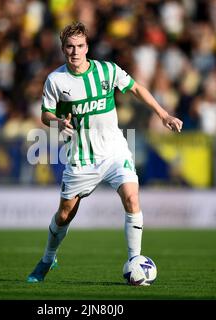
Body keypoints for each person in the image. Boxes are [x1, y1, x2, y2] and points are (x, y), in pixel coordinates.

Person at [27, 22, 183, 283]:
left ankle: (135, 261)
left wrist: (164, 114)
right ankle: (47, 259)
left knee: (132, 198)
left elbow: (135, 88)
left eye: (79, 46)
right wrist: (57, 122)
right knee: (65, 214)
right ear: (63, 49)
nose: (75, 52)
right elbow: (45, 114)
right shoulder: (56, 80)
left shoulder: (106, 71)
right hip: (81, 157)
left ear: (87, 47)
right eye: (69, 47)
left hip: (114, 150)